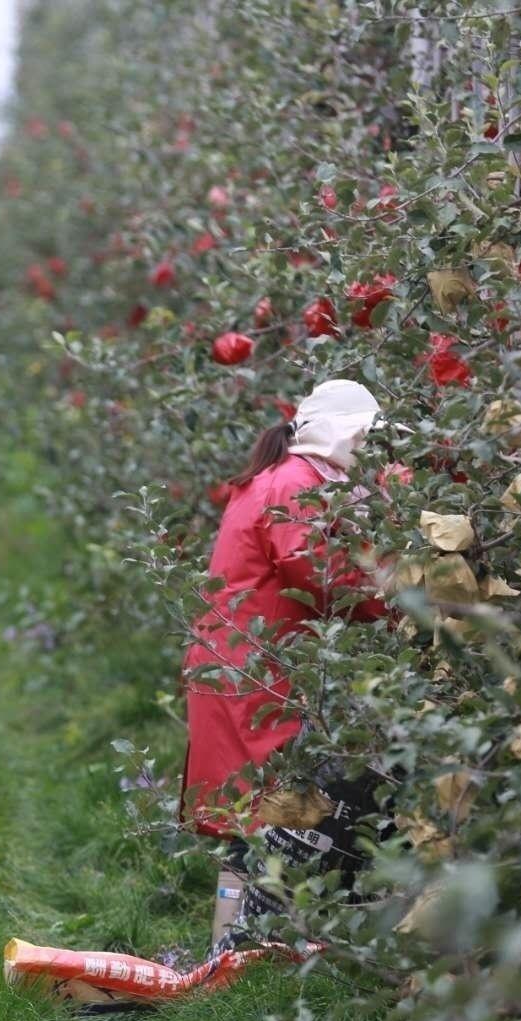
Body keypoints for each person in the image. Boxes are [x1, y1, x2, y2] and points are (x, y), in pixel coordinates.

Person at [179, 379, 390, 951]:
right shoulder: (297, 483)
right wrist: (401, 601)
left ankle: (228, 952)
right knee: (275, 812)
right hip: (260, 671)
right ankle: (246, 953)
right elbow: (320, 572)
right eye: (369, 437)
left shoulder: (277, 477)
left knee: (252, 814)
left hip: (240, 664)